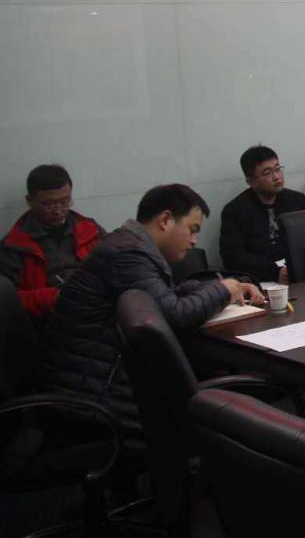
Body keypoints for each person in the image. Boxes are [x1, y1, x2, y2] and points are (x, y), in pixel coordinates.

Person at [41, 185, 262, 430]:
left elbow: (166, 296)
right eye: (192, 230)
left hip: (101, 380)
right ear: (165, 220)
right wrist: (223, 291)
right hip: (98, 394)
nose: (194, 241)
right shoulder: (129, 255)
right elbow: (175, 315)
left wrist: (224, 287)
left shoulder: (128, 245)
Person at [0, 165, 104, 318]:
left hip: (97, 307)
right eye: (48, 204)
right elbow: (9, 300)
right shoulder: (14, 246)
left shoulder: (90, 230)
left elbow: (115, 266)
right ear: (29, 201)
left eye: (65, 201)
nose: (58, 210)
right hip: (50, 317)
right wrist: (53, 297)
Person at [220, 146, 305, 282]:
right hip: (263, 279)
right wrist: (274, 272)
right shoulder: (235, 211)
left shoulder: (299, 201)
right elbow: (233, 258)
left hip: (301, 273)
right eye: (267, 173)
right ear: (251, 182)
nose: (276, 177)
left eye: (277, 169)